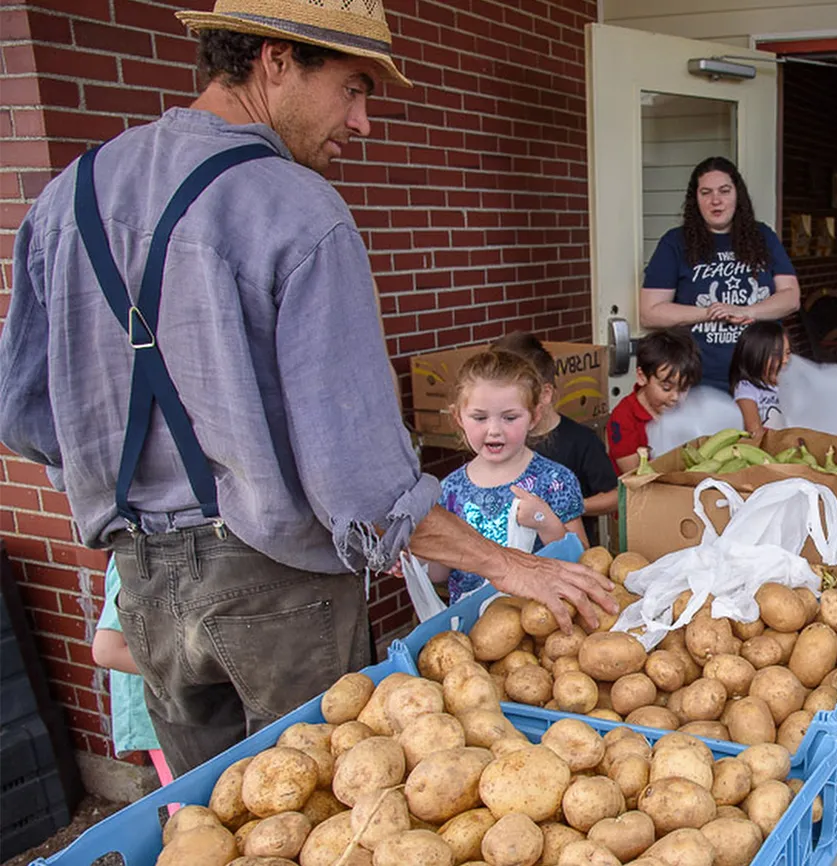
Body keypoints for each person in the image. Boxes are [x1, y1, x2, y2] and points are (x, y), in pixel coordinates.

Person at [0, 0, 613, 774]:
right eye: (353, 89)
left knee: (210, 820)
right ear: (276, 60)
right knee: (319, 802)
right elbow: (360, 487)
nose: (361, 123)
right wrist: (510, 563)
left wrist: (136, 485)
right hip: (277, 588)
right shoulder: (297, 209)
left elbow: (24, 419)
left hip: (143, 583)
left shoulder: (67, 197)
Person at [430, 350, 586, 604]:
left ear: (534, 416)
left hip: (538, 620)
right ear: (458, 416)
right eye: (479, 417)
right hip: (470, 629)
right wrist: (416, 557)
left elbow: (582, 560)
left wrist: (544, 521)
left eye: (510, 418)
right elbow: (438, 574)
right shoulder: (448, 490)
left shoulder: (554, 480)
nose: (494, 430)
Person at [639, 156, 800, 394]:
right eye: (706, 193)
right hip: (698, 384)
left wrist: (745, 311)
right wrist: (710, 313)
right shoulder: (675, 243)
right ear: (695, 199)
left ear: (738, 195)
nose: (716, 201)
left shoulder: (763, 236)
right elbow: (649, 312)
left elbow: (791, 297)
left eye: (724, 191)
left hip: (762, 380)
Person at [494, 333, 619, 546]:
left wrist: (566, 506)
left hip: (565, 555)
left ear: (545, 393)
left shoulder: (581, 441)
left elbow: (615, 497)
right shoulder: (501, 443)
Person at [92, 557, 174, 789]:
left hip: (180, 703)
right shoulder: (136, 559)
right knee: (186, 801)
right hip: (160, 706)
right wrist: (192, 669)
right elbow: (107, 651)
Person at [609, 329, 702, 475]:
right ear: (642, 377)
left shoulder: (688, 408)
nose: (675, 397)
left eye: (684, 389)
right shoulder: (623, 418)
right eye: (666, 388)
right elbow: (635, 475)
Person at [729, 320, 791, 436]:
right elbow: (754, 430)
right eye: (777, 354)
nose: (785, 360)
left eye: (787, 353)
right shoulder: (746, 388)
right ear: (755, 355)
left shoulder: (789, 384)